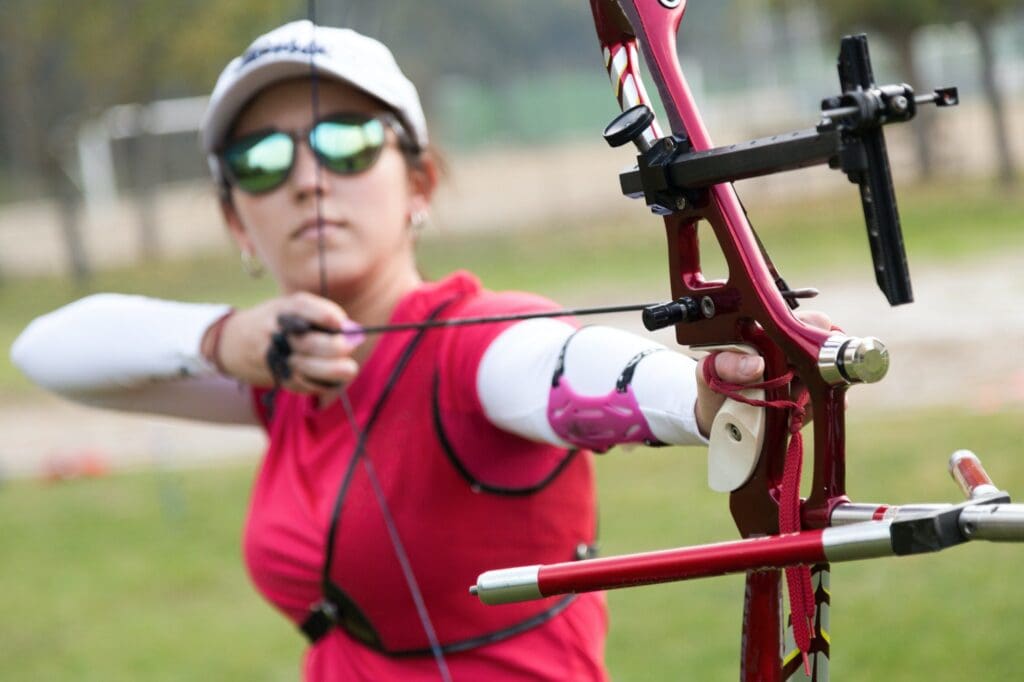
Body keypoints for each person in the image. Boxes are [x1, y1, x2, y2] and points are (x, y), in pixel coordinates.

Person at [11, 20, 820, 681]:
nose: (306, 179)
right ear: (235, 223)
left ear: (420, 184)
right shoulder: (276, 373)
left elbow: (554, 369)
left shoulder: (474, 347)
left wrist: (699, 398)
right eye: (261, 161)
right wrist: (226, 339)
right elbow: (45, 351)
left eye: (349, 143)